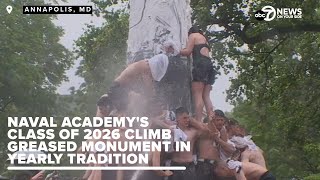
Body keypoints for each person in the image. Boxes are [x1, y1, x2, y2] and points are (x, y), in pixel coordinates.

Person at [107, 41, 178, 111]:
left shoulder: (145, 65)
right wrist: (153, 97)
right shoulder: (145, 68)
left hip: (120, 89)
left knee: (137, 101)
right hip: (118, 89)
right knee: (131, 106)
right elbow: (149, 90)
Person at [180, 26, 216, 121]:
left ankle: (198, 121)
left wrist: (177, 51)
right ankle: (211, 119)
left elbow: (188, 51)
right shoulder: (204, 39)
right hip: (210, 66)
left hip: (201, 65)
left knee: (198, 94)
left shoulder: (193, 36)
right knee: (206, 96)